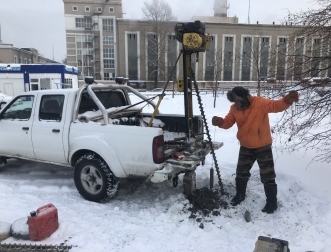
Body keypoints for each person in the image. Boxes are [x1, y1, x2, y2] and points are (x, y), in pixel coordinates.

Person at [212, 86, 299, 214]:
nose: (238, 104)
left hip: (262, 146)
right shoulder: (234, 108)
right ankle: (240, 195)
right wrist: (220, 122)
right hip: (246, 146)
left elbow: (276, 106)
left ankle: (271, 203)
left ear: (246, 96)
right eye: (235, 102)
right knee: (241, 173)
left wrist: (287, 99)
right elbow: (228, 122)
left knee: (267, 176)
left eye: (239, 101)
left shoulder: (259, 103)